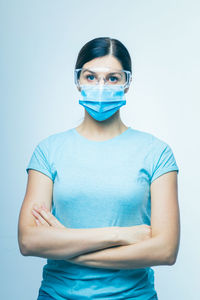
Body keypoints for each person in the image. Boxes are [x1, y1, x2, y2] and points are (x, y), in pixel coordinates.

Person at [18, 37, 180, 300]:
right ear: (78, 81)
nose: (101, 86)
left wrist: (66, 243)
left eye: (113, 78)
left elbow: (165, 250)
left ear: (127, 84)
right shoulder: (48, 151)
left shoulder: (157, 153)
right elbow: (28, 241)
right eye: (91, 77)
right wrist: (121, 234)